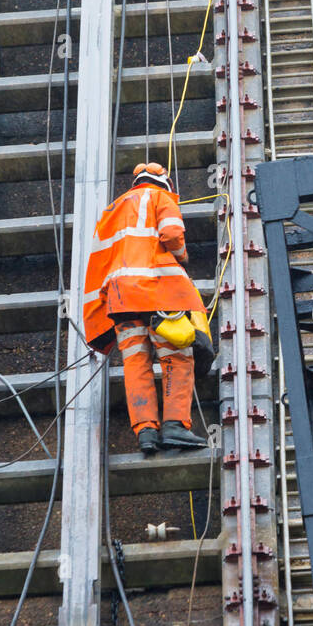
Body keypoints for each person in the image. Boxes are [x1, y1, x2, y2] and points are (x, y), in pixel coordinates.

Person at [83, 162, 208, 454]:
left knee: (136, 362)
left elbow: (98, 262)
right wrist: (182, 257)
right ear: (165, 183)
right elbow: (173, 235)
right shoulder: (159, 197)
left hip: (121, 301)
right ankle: (175, 425)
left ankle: (147, 432)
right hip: (158, 292)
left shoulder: (110, 212)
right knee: (177, 354)